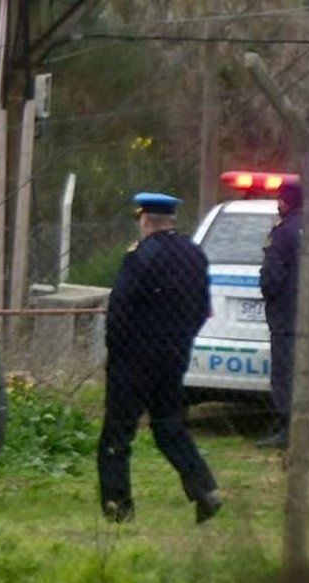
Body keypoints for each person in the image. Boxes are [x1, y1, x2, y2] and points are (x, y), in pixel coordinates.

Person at [97, 192, 221, 524]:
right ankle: (205, 488)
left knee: (117, 434)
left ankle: (118, 505)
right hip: (173, 356)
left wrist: (115, 351)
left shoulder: (140, 256)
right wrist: (181, 340)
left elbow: (120, 310)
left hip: (133, 359)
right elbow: (202, 309)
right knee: (169, 425)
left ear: (145, 220)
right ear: (170, 219)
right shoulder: (194, 255)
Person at [256, 184, 309, 449]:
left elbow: (272, 275)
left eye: (280, 199)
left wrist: (270, 297)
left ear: (286, 202)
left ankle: (289, 429)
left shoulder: (283, 233)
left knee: (284, 373)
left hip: (287, 314)